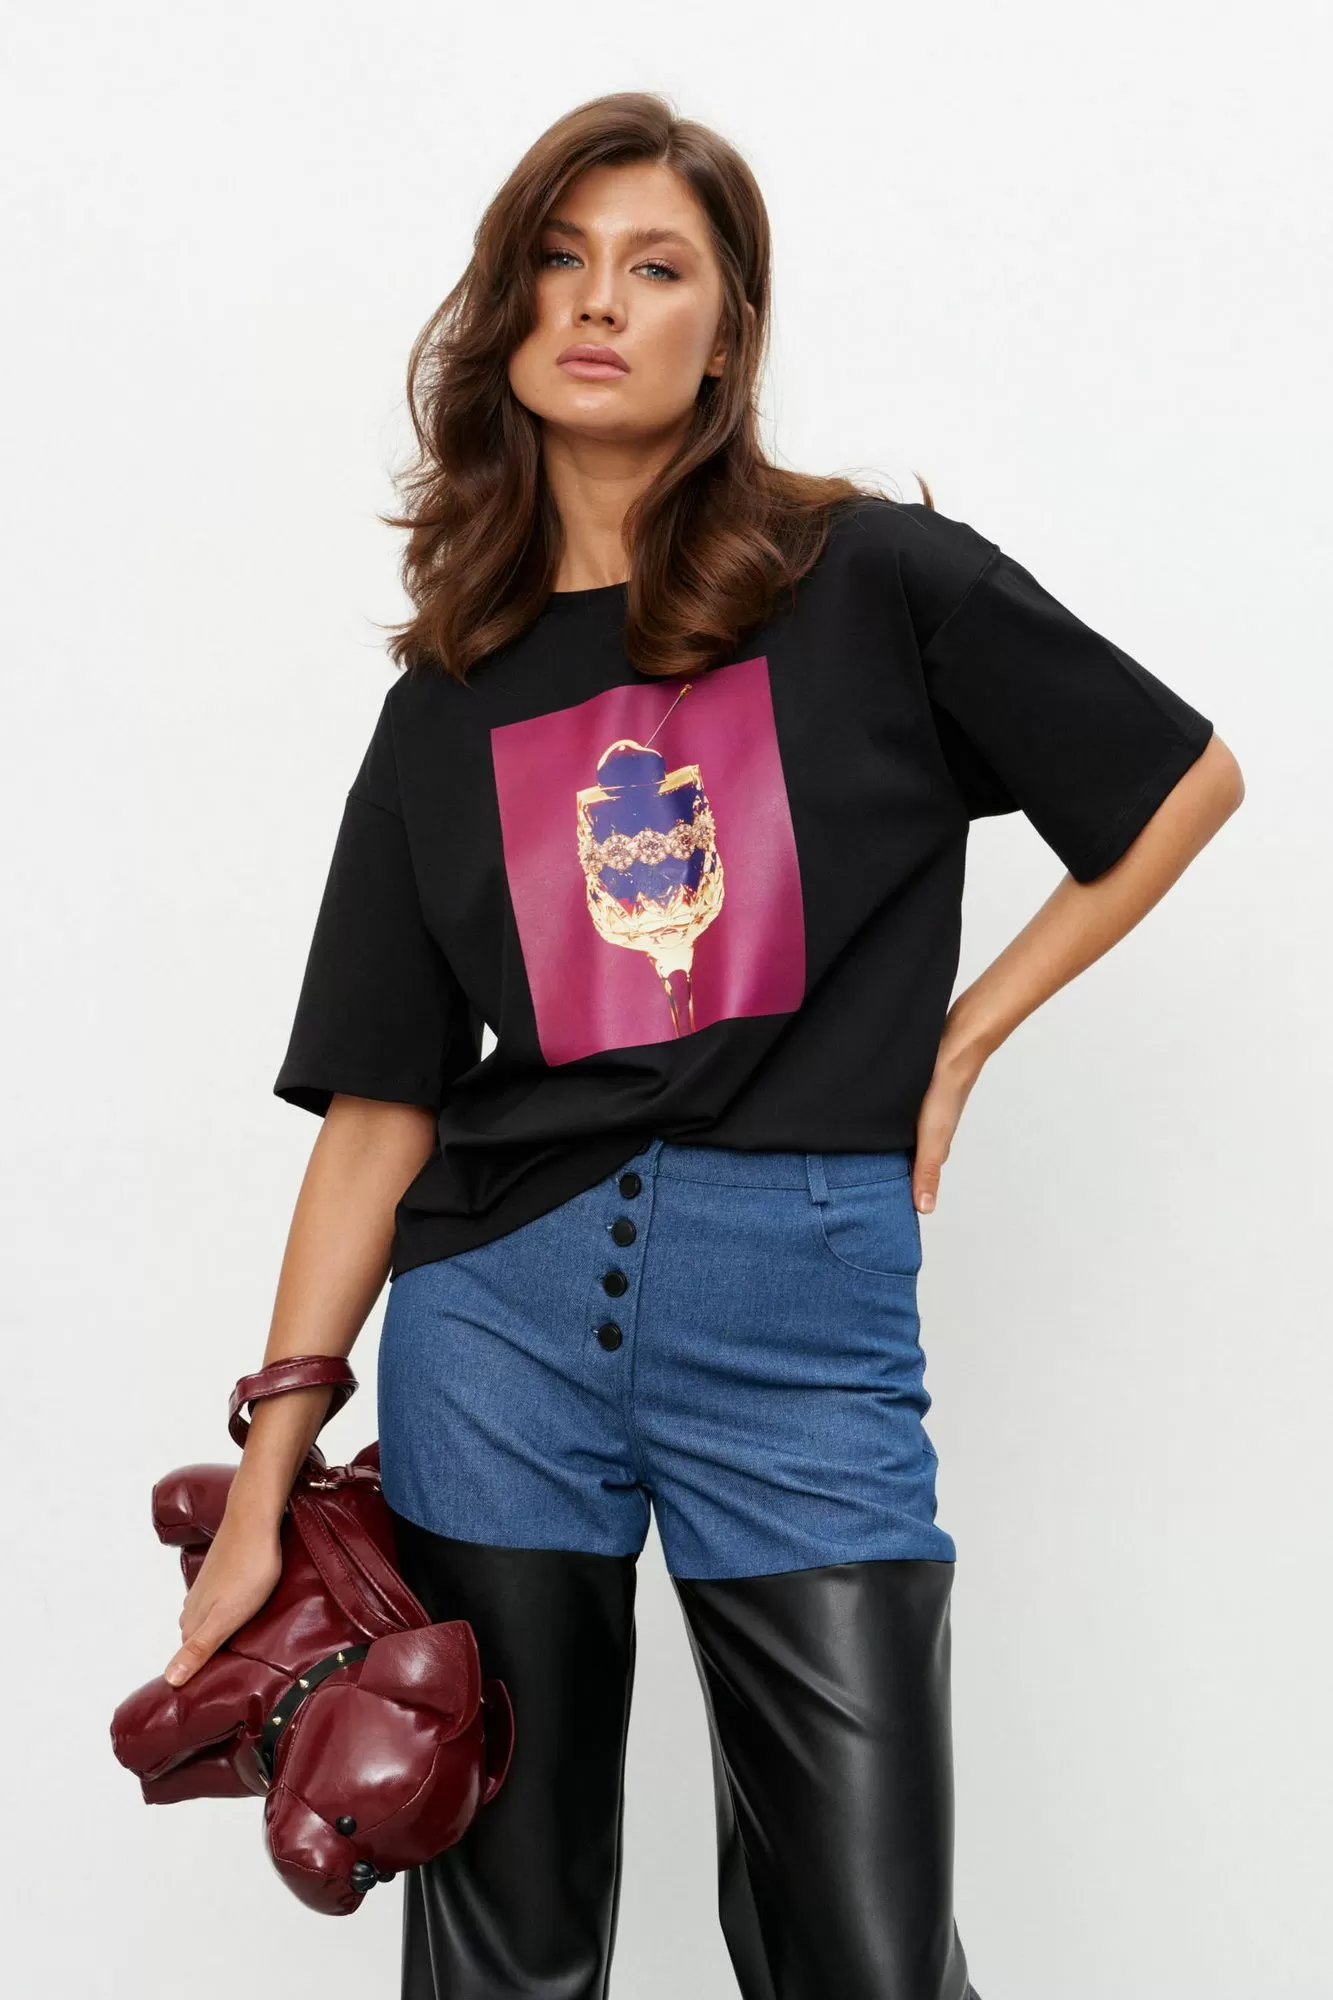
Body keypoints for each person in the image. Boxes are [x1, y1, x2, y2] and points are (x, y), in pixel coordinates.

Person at [162, 91, 1244, 2000]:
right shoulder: (449, 700)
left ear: (726, 336)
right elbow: (377, 1113)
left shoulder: (875, 583)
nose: (600, 301)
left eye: (656, 266)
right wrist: (268, 1487)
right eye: (559, 261)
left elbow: (1180, 780)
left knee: (864, 1951)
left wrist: (964, 1041)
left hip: (801, 1314)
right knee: (504, 1944)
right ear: (505, 315)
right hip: (497, 1328)